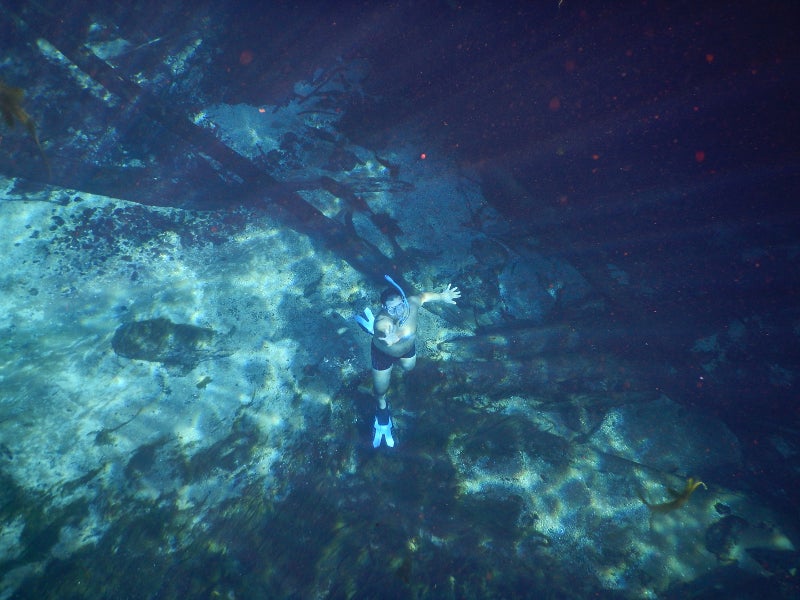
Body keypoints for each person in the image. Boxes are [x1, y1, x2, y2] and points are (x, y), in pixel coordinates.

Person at [356, 275, 461, 448]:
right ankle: (382, 418)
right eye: (392, 309)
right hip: (383, 355)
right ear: (384, 308)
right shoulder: (382, 322)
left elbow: (423, 297)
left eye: (400, 306)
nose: (399, 311)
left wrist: (442, 296)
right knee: (380, 392)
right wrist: (386, 336)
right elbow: (385, 333)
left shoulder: (411, 303)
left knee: (409, 367)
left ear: (404, 300)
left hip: (407, 350)